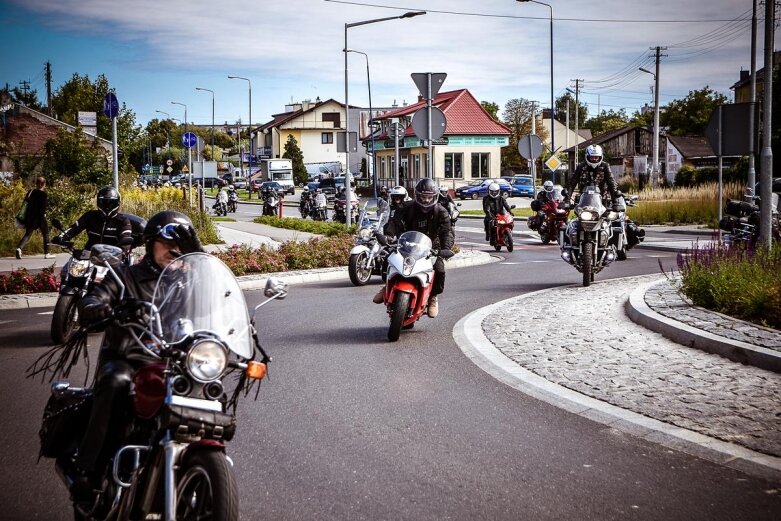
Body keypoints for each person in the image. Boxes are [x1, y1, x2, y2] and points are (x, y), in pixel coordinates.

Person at [70, 210, 204, 501]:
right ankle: (88, 471)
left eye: (182, 246)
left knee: (208, 388)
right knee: (115, 381)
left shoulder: (193, 282)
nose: (174, 251)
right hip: (129, 360)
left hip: (175, 363)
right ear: (149, 243)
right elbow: (94, 299)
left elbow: (219, 304)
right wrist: (105, 308)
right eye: (167, 243)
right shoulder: (125, 277)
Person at [373, 178, 452, 318]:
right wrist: (389, 236)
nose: (426, 200)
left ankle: (433, 297)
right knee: (387, 260)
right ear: (417, 195)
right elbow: (394, 222)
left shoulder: (441, 211)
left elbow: (447, 232)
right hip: (407, 243)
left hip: (431, 246)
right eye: (423, 196)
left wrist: (445, 248)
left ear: (435, 196)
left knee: (439, 269)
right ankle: (387, 286)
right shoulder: (406, 207)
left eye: (429, 197)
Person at [52, 186, 133, 253]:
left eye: (111, 203)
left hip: (112, 259)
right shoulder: (91, 216)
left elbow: (126, 238)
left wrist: (123, 249)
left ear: (117, 203)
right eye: (104, 202)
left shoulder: (122, 221)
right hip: (89, 255)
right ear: (98, 202)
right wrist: (62, 237)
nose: (107, 206)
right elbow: (75, 228)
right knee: (66, 270)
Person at [16, 176, 53, 259]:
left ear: (37, 184)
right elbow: (42, 208)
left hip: (29, 217)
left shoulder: (30, 191)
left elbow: (25, 204)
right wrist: (43, 217)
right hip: (39, 218)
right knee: (46, 234)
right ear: (42, 184)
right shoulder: (43, 194)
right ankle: (47, 253)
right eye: (45, 184)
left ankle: (19, 248)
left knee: (28, 234)